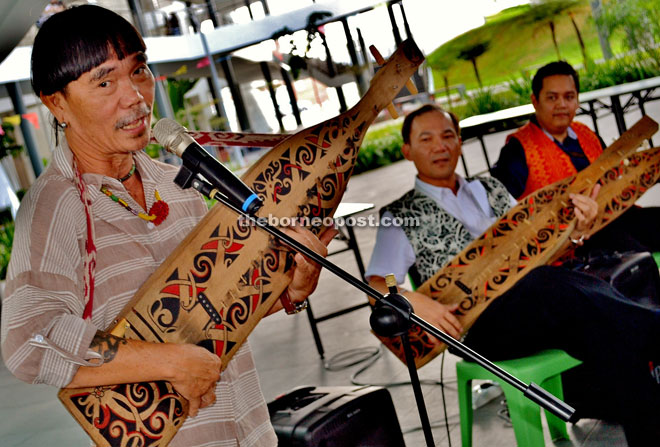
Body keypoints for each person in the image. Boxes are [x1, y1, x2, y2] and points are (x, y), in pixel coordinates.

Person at [0, 6, 335, 447]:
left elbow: (214, 316)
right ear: (55, 101)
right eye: (104, 82)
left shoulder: (174, 183)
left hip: (250, 429)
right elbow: (28, 340)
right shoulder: (55, 204)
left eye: (139, 70)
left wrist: (287, 292)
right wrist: (167, 362)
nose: (135, 96)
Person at [365, 104, 660, 445]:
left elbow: (542, 245)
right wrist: (409, 299)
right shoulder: (401, 214)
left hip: (539, 304)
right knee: (552, 286)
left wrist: (579, 231)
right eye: (426, 139)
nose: (440, 146)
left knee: (606, 329)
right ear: (408, 151)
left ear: (459, 142)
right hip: (478, 327)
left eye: (447, 136)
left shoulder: (489, 188)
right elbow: (376, 283)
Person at [491, 60, 660, 254]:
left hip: (615, 216)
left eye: (569, 97)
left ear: (577, 101)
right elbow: (502, 215)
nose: (561, 104)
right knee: (637, 259)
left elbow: (614, 173)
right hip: (569, 245)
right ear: (535, 101)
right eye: (552, 98)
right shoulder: (517, 150)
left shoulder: (585, 133)